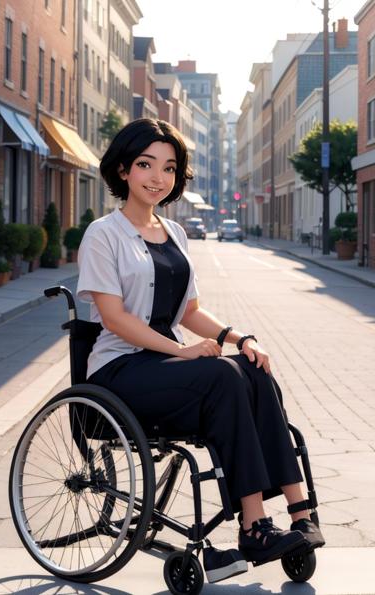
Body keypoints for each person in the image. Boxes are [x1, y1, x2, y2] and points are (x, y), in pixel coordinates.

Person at [76, 118, 324, 583]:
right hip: (119, 371)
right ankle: (254, 524)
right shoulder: (103, 234)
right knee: (221, 375)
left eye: (169, 168)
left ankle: (298, 510)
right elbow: (115, 319)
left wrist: (240, 338)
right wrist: (183, 352)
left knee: (250, 369)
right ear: (124, 169)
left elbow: (190, 310)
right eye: (146, 165)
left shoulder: (175, 234)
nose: (158, 177)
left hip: (166, 368)